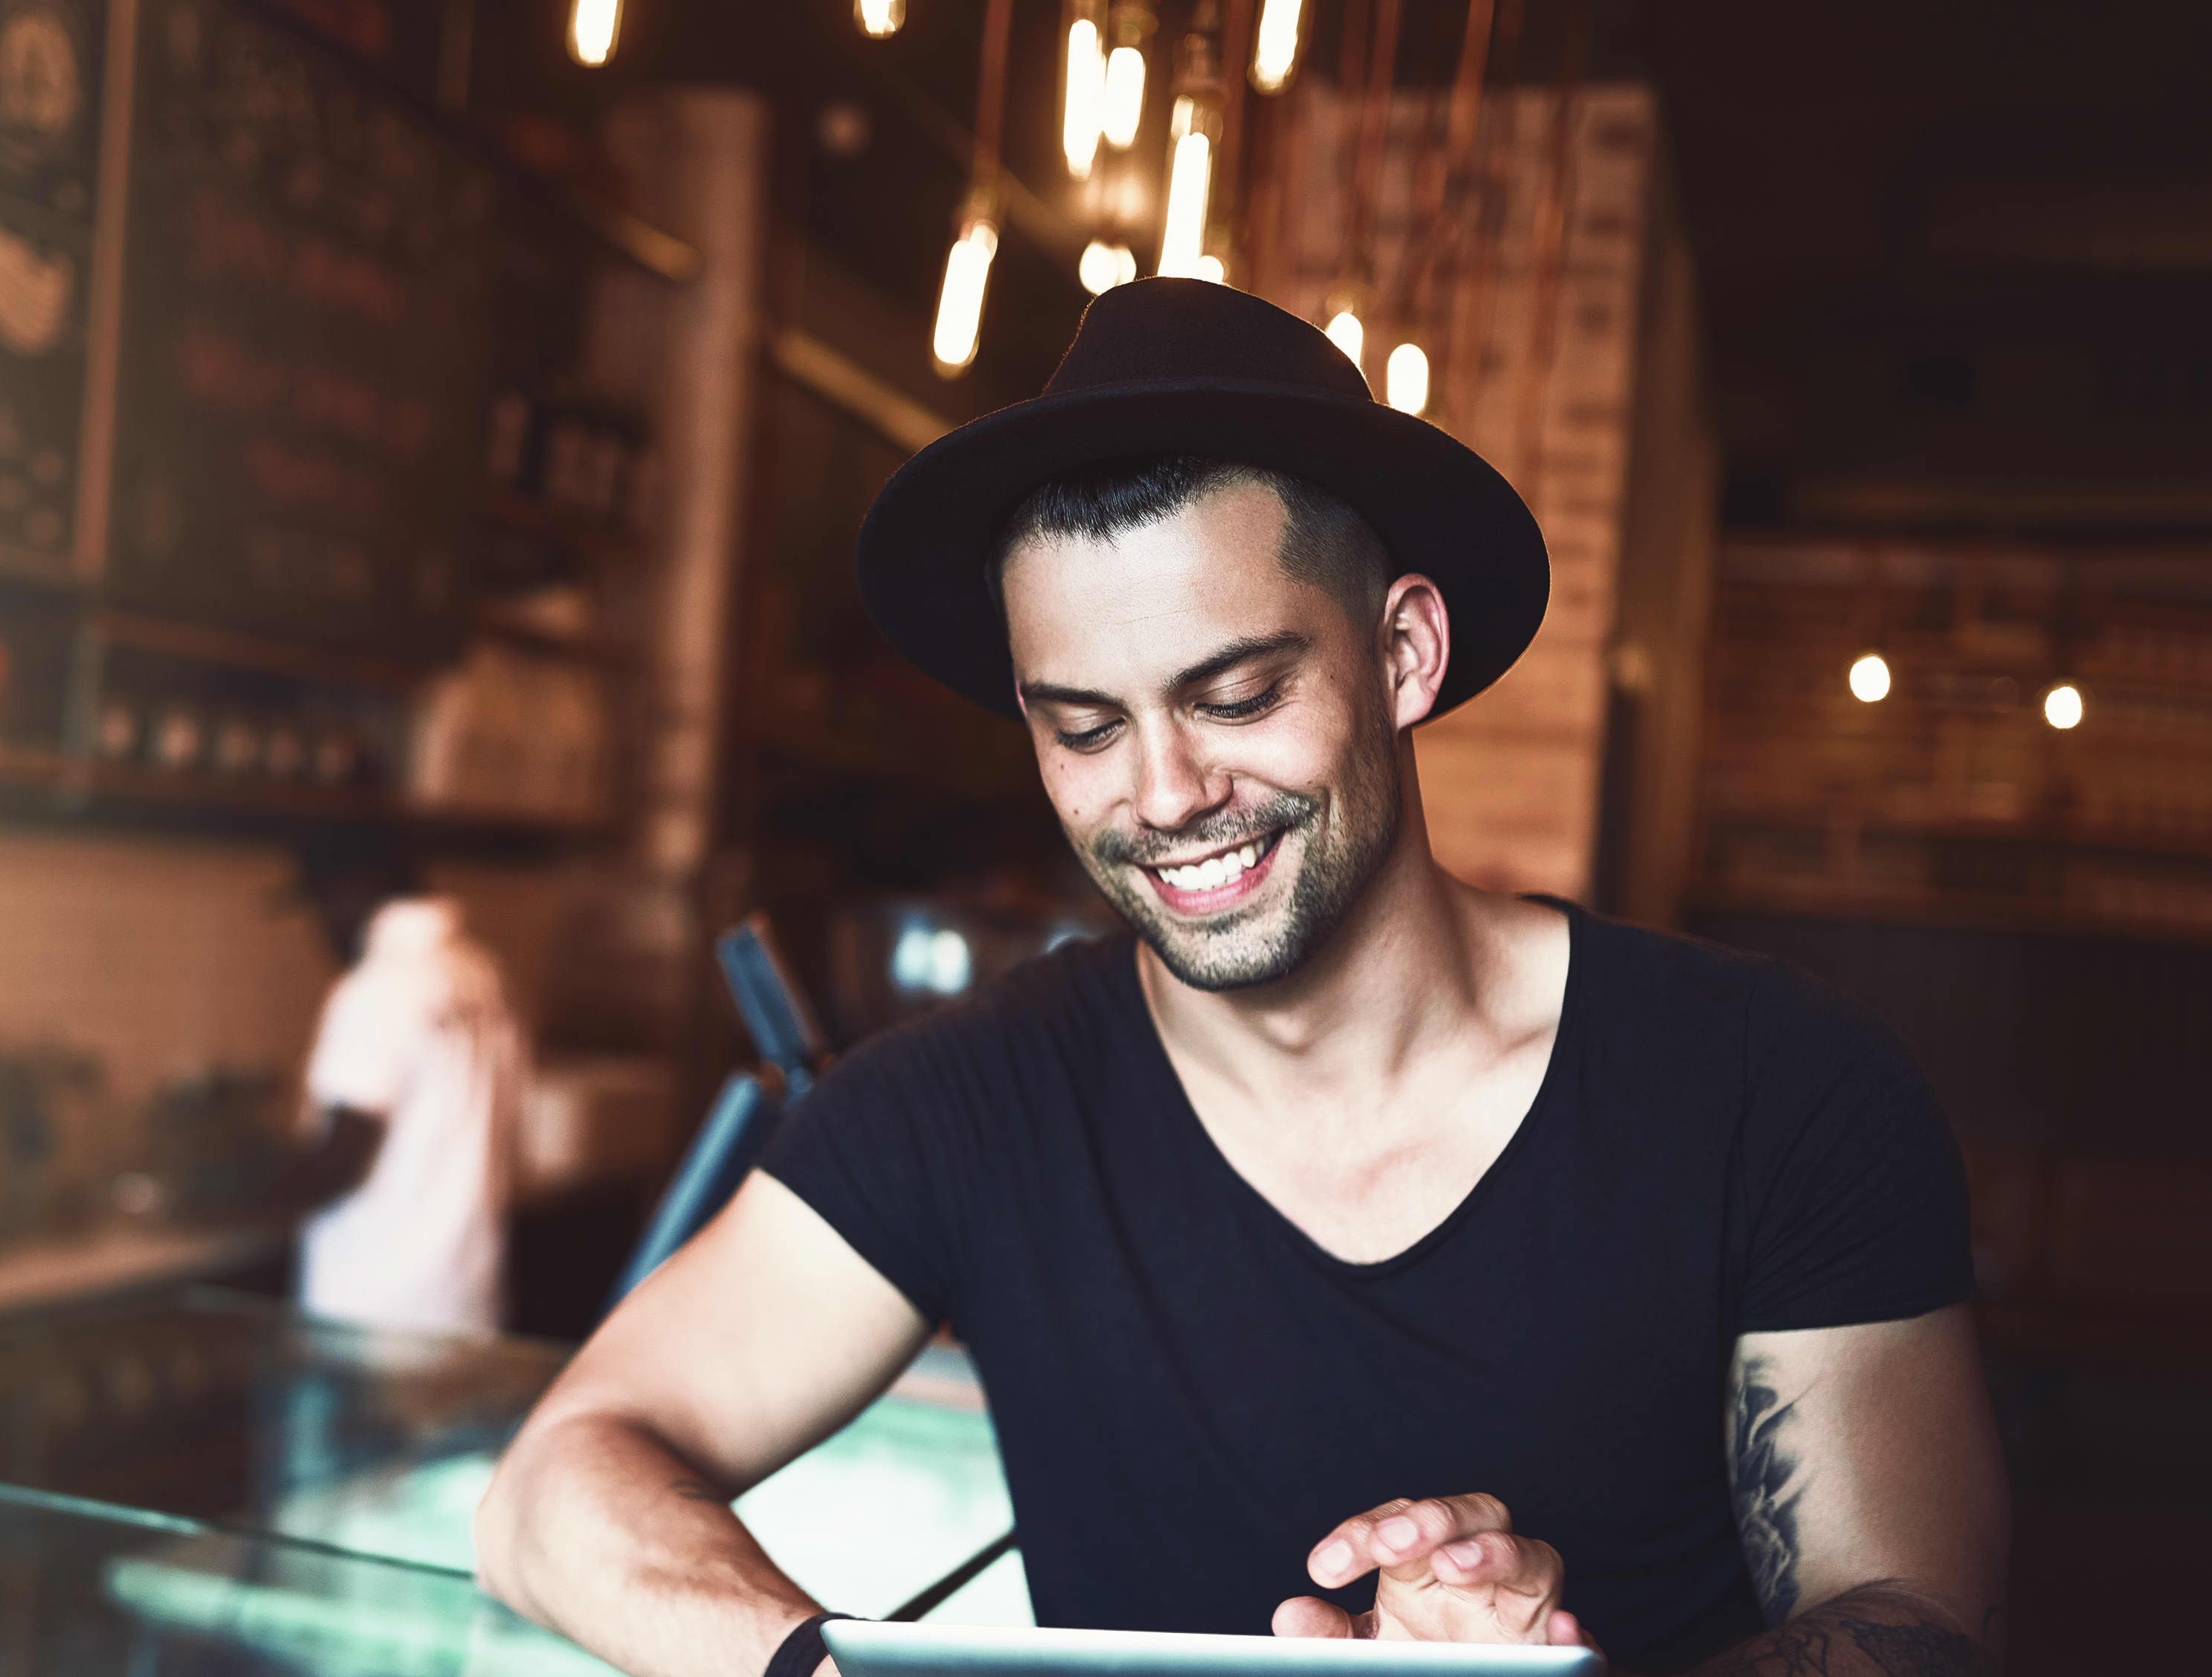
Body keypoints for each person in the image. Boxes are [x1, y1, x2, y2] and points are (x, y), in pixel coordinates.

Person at [473, 280, 2004, 1677]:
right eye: (1080, 728)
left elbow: (1918, 1628)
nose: (1161, 793)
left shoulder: (1775, 1090)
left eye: (1238, 694)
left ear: (1402, 654)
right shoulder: (974, 1104)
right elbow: (554, 1485)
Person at [274, 836, 526, 1336]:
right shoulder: (479, 969)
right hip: (464, 1298)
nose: (322, 929)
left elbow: (343, 1157)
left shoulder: (378, 987)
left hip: (372, 1311)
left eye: (321, 905)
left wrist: (228, 1202)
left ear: (354, 893)